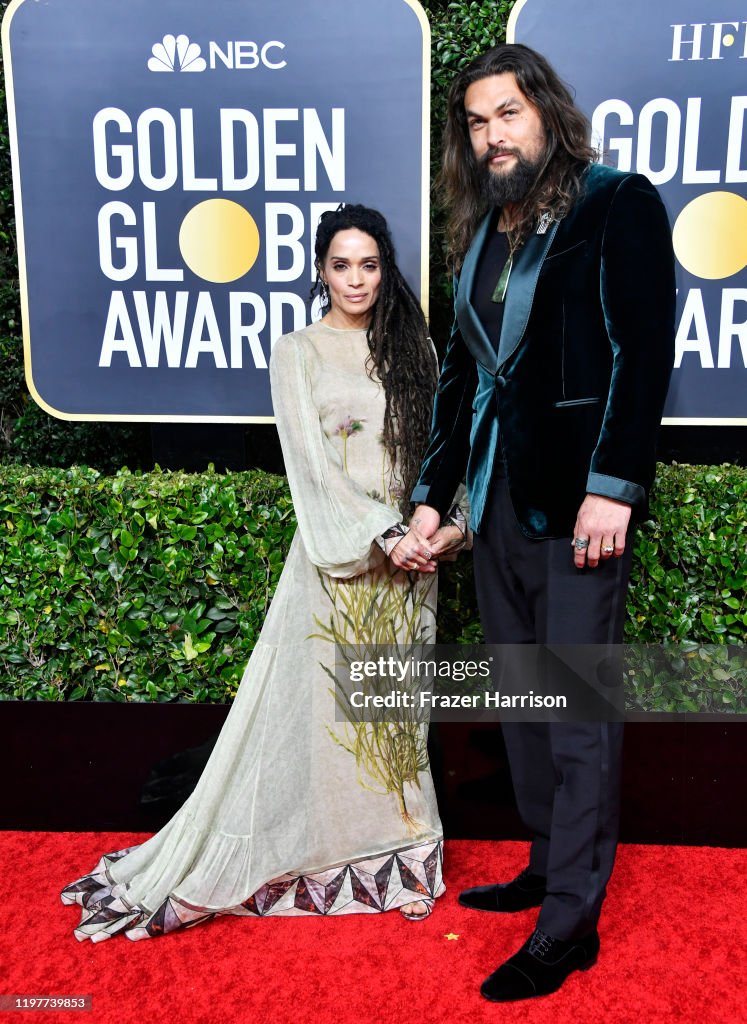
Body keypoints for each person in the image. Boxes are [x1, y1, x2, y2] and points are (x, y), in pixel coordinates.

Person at [61, 204, 467, 939]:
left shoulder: (417, 349)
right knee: (316, 724)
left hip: (413, 565)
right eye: (341, 265)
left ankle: (405, 857)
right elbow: (310, 470)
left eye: (369, 265)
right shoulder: (298, 351)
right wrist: (381, 533)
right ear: (319, 270)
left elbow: (446, 452)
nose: (356, 279)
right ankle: (311, 855)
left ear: (387, 270)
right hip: (341, 561)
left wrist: (444, 529)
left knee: (395, 722)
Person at [409, 44, 676, 1001]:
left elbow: (641, 352)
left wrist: (613, 483)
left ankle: (570, 924)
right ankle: (542, 863)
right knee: (522, 709)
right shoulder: (482, 232)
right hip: (497, 509)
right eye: (477, 122)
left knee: (573, 717)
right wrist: (432, 500)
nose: (492, 136)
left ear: (545, 114)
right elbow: (463, 380)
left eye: (508, 114)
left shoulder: (616, 202)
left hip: (578, 510)